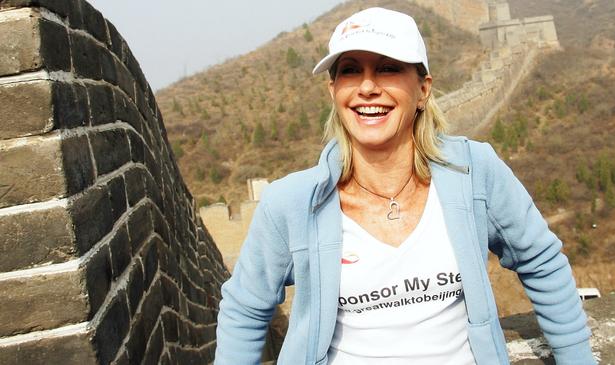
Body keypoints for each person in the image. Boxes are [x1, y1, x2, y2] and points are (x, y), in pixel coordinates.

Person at [215, 7, 595, 365]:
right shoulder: (293, 202)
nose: (367, 87)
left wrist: (577, 358)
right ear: (333, 91)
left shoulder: (475, 172)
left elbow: (542, 262)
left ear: (423, 89)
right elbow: (245, 308)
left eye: (387, 68)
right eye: (350, 71)